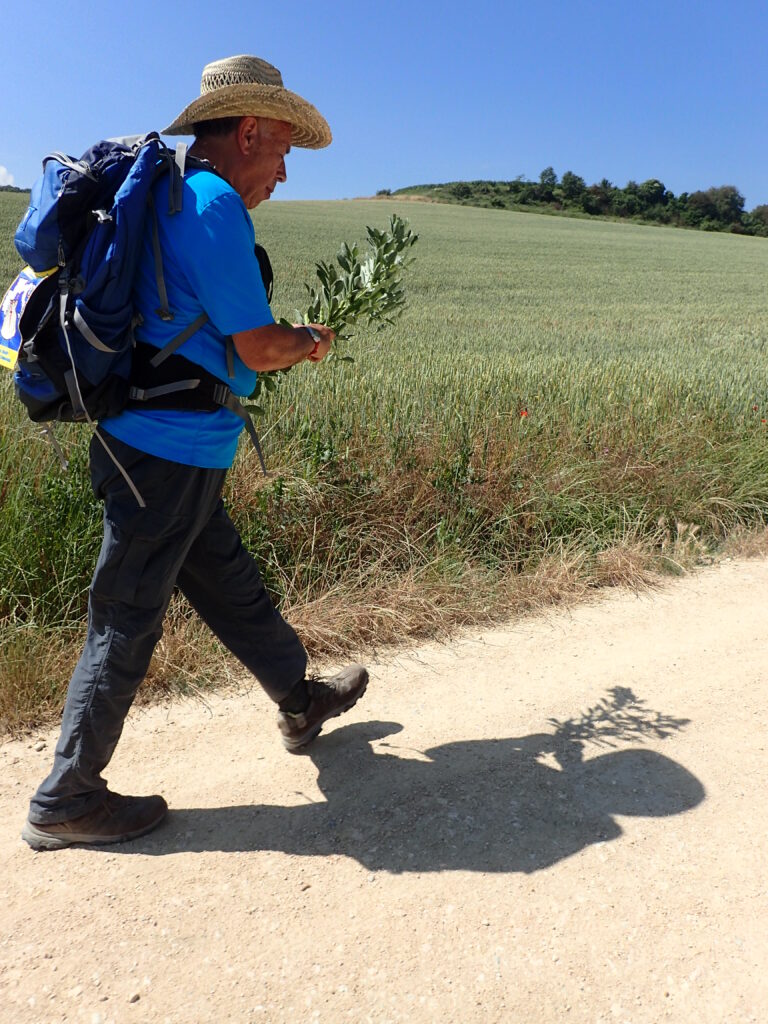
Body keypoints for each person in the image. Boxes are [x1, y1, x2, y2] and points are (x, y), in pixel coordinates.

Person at [21, 55, 368, 852]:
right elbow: (258, 346)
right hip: (167, 450)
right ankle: (67, 797)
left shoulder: (176, 195)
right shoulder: (213, 206)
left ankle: (299, 697)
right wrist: (309, 340)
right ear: (247, 130)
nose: (283, 172)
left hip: (164, 444)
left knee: (223, 576)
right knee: (126, 615)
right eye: (282, 151)